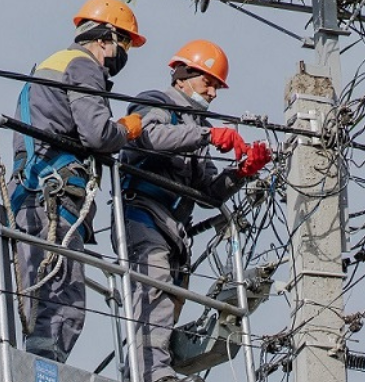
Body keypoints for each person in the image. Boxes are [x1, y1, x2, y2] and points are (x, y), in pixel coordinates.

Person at [116, 39, 273, 382]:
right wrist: (207, 135)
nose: (214, 93)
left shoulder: (195, 125)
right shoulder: (156, 104)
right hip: (142, 211)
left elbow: (208, 194)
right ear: (183, 76)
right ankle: (152, 373)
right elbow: (148, 138)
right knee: (152, 286)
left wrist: (242, 172)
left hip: (174, 229)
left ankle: (142, 372)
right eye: (209, 83)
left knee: (166, 299)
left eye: (217, 86)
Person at [9, 0, 147, 363]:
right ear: (104, 38)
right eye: (125, 44)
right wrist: (127, 130)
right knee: (62, 292)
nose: (124, 54)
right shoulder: (84, 66)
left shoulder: (49, 65)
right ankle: (46, 369)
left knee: (33, 289)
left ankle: (33, 362)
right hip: (56, 193)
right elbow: (98, 135)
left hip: (28, 191)